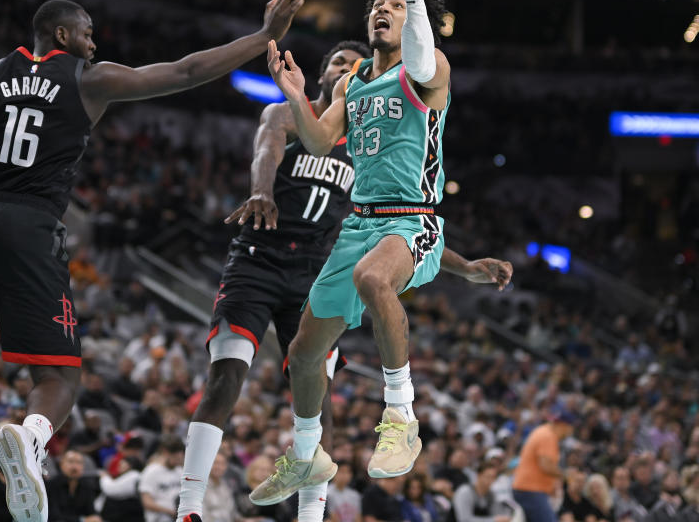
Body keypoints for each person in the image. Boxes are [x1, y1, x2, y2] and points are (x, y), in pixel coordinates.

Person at [0, 0, 308, 522]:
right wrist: (264, 36)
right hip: (29, 223)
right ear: (61, 35)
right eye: (86, 33)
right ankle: (30, 437)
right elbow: (184, 71)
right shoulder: (88, 78)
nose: (93, 42)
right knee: (60, 379)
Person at [179, 40, 512, 522]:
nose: (347, 69)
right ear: (324, 76)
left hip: (317, 266)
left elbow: (396, 226)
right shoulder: (289, 116)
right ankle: (188, 509)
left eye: (353, 65)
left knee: (314, 385)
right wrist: (260, 191)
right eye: (339, 63)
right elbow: (267, 151)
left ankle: (312, 514)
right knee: (225, 377)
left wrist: (464, 267)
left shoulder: (366, 143)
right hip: (259, 258)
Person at [251, 0, 497, 504]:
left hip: (415, 221)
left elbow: (418, 59)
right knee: (303, 353)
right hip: (359, 224)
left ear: (418, 22)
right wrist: (291, 96)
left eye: (395, 4)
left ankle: (401, 417)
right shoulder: (354, 80)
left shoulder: (431, 71)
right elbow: (315, 140)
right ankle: (307, 457)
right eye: (376, 5)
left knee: (371, 279)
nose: (382, 10)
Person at [512, 410, 577, 522]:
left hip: (529, 490)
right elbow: (546, 466)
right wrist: (566, 475)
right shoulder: (548, 436)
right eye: (571, 427)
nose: (571, 431)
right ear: (564, 426)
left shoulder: (544, 432)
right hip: (530, 490)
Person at [44, 450, 101, 522]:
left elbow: (91, 512)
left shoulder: (87, 486)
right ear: (61, 464)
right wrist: (82, 520)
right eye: (70, 461)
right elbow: (54, 516)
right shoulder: (52, 485)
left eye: (79, 463)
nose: (75, 467)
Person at [140, 435, 185, 522]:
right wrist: (171, 512)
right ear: (165, 453)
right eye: (175, 457)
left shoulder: (180, 471)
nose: (179, 460)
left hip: (178, 516)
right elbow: (146, 502)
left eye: (180, 457)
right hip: (159, 517)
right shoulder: (151, 471)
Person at [453, 465, 519, 522]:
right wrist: (493, 520)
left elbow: (497, 513)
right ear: (479, 475)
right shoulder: (465, 492)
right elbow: (464, 520)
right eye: (488, 476)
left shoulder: (490, 494)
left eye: (493, 477)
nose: (490, 480)